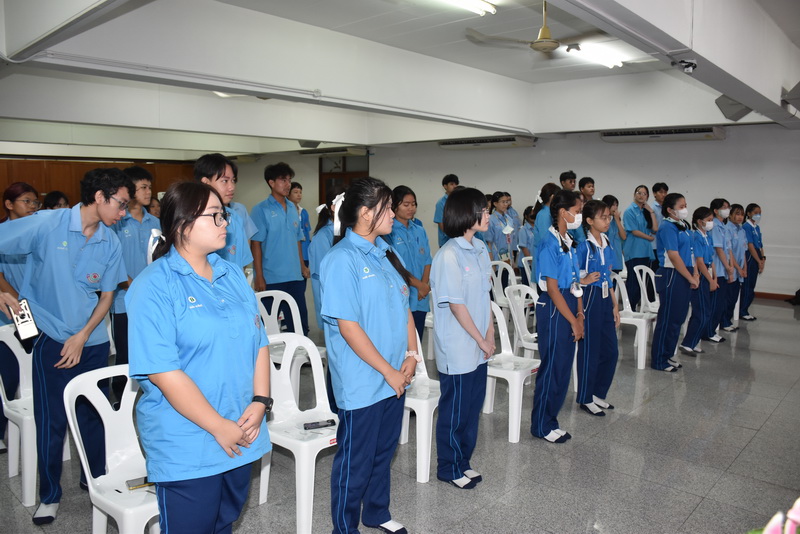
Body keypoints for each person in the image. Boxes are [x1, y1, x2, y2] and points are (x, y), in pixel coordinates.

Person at [126, 181, 271, 533]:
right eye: (215, 215)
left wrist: (260, 401)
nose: (226, 223)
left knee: (225, 522)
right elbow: (163, 372)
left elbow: (259, 341)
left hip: (242, 427)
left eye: (225, 215)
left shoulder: (231, 274)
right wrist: (218, 426)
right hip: (188, 440)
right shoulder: (153, 285)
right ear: (183, 223)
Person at [0, 168, 131, 525]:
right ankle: (49, 495)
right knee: (52, 419)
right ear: (100, 197)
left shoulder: (110, 241)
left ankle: (95, 480)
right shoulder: (48, 223)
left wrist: (84, 335)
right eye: (120, 204)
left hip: (92, 341)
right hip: (51, 337)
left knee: (93, 415)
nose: (123, 213)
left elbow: (107, 296)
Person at [320, 177, 417, 534]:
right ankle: (344, 528)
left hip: (394, 376)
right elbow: (348, 327)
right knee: (356, 460)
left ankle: (376, 512)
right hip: (363, 379)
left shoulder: (385, 253)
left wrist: (412, 354)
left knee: (383, 451)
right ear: (364, 213)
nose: (393, 213)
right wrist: (389, 372)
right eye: (387, 208)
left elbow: (405, 307)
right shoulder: (341, 259)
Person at [431, 187, 493, 489]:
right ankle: (448, 467)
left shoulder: (480, 248)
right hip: (458, 346)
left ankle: (463, 461)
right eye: (484, 209)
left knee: (471, 408)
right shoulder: (448, 255)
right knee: (454, 411)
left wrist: (489, 335)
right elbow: (456, 305)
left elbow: (485, 296)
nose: (488, 215)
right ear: (467, 213)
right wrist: (480, 340)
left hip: (480, 343)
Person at [531, 190, 584, 443]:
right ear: (563, 212)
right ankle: (541, 425)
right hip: (554, 307)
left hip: (570, 302)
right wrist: (573, 320)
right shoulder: (549, 243)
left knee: (563, 368)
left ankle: (551, 420)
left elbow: (576, 281)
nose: (579, 216)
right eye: (577, 211)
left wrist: (580, 313)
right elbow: (552, 288)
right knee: (552, 368)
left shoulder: (569, 240)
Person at [109, 166, 161, 402]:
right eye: (143, 187)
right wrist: (134, 286)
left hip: (153, 300)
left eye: (149, 187)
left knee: (152, 350)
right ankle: (119, 401)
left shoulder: (155, 222)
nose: (148, 191)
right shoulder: (116, 222)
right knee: (125, 355)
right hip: (124, 302)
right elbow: (112, 265)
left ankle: (150, 397)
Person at [0, 182, 40, 453]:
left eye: (35, 202)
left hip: (39, 310)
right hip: (14, 311)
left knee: (35, 369)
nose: (32, 206)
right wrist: (22, 306)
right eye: (26, 201)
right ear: (9, 204)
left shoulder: (38, 230)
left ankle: (37, 425)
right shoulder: (2, 233)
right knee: (10, 374)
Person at [250, 162, 310, 335]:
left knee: (299, 325)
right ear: (271, 182)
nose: (288, 184)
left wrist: (302, 266)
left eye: (289, 180)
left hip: (295, 277)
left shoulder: (292, 208)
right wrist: (259, 276)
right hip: (272, 278)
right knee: (267, 327)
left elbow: (297, 239)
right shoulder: (260, 210)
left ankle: (300, 351)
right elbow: (256, 243)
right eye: (283, 180)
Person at [575, 200, 619, 416]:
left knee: (611, 351)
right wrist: (582, 281)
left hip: (604, 298)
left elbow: (608, 276)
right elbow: (571, 275)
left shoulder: (607, 242)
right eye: (603, 217)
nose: (607, 221)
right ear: (590, 221)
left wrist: (615, 304)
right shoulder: (583, 246)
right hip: (589, 298)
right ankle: (585, 397)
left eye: (609, 217)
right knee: (590, 351)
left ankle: (598, 393)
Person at [650, 193, 698, 372]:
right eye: (681, 206)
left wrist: (695, 273)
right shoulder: (667, 227)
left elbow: (690, 251)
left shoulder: (683, 225)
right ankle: (659, 360)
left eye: (685, 205)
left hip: (684, 272)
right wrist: (690, 277)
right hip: (671, 274)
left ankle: (668, 354)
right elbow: (673, 255)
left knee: (678, 318)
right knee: (668, 319)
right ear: (670, 210)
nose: (685, 209)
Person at [386, 185, 432, 339]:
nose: (411, 208)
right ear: (394, 205)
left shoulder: (419, 230)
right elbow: (394, 266)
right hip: (401, 295)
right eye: (406, 204)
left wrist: (424, 285)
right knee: (402, 342)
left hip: (420, 297)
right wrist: (419, 285)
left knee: (417, 340)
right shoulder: (388, 231)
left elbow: (427, 260)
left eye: (413, 204)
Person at [195, 153, 255, 271]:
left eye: (233, 180)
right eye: (225, 181)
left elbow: (242, 263)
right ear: (205, 182)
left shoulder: (234, 217)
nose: (231, 187)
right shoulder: (191, 220)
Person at [679, 207, 717, 355]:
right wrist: (709, 279)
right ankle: (688, 343)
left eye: (712, 220)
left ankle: (692, 342)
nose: (711, 223)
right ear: (700, 221)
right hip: (700, 274)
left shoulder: (708, 236)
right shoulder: (696, 237)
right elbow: (699, 261)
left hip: (708, 272)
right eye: (709, 220)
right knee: (701, 311)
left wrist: (714, 277)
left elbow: (711, 259)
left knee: (704, 311)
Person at [622, 185, 657, 311]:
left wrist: (651, 212)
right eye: (639, 193)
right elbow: (634, 231)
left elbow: (655, 229)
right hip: (634, 250)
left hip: (645, 251)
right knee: (634, 282)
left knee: (642, 282)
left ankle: (636, 308)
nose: (641, 195)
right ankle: (629, 309)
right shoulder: (630, 211)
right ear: (634, 194)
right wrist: (648, 238)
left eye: (644, 194)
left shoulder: (645, 211)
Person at [705, 198, 734, 343]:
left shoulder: (724, 226)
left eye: (728, 207)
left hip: (724, 269)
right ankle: (708, 332)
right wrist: (728, 268)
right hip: (717, 269)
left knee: (720, 302)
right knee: (715, 303)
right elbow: (718, 249)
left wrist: (730, 266)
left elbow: (729, 249)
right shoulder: (715, 226)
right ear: (715, 210)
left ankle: (711, 330)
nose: (727, 210)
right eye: (724, 207)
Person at [722, 204, 747, 332]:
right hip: (731, 269)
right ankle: (724, 322)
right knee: (728, 297)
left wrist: (745, 268)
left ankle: (727, 320)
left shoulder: (742, 230)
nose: (740, 217)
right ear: (730, 215)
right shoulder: (727, 229)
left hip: (740, 270)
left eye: (742, 214)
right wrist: (738, 268)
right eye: (737, 214)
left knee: (734, 297)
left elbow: (743, 251)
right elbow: (729, 252)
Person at [740, 203, 765, 321]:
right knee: (747, 285)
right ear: (749, 213)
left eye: (760, 213)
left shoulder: (756, 227)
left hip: (757, 255)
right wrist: (758, 260)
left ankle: (745, 309)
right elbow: (750, 245)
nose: (758, 215)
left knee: (752, 285)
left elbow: (760, 245)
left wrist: (763, 259)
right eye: (755, 213)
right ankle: (743, 311)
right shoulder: (746, 227)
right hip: (751, 257)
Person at [486, 191, 519, 264]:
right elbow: (488, 242)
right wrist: (491, 261)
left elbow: (511, 240)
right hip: (496, 256)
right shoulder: (491, 219)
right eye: (503, 202)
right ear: (495, 204)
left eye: (506, 202)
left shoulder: (509, 219)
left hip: (508, 256)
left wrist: (512, 258)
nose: (505, 204)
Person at [289, 182, 312, 282]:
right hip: (292, 253)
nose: (299, 195)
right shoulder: (286, 212)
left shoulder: (303, 212)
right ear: (288, 194)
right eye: (295, 192)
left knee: (302, 282)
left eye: (300, 192)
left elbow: (307, 233)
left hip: (304, 252)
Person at [601, 194, 626, 274]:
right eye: (613, 205)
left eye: (616, 205)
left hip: (617, 257)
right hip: (606, 257)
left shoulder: (615, 221)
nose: (615, 208)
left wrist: (617, 220)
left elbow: (623, 236)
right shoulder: (602, 221)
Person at [434, 174, 459, 247]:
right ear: (445, 186)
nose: (455, 186)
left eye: (456, 184)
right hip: (446, 241)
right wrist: (453, 237)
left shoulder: (459, 201)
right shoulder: (441, 203)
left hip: (459, 240)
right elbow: (441, 224)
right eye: (452, 184)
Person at [650, 182, 669, 271]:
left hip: (665, 244)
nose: (663, 195)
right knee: (655, 271)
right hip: (655, 244)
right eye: (661, 192)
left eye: (665, 192)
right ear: (654, 193)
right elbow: (651, 228)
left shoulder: (668, 208)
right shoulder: (651, 208)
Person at [518, 206, 536, 286]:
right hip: (527, 263)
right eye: (531, 215)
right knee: (527, 285)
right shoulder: (523, 230)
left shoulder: (538, 228)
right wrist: (531, 262)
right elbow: (523, 247)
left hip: (536, 262)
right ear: (526, 216)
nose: (533, 217)